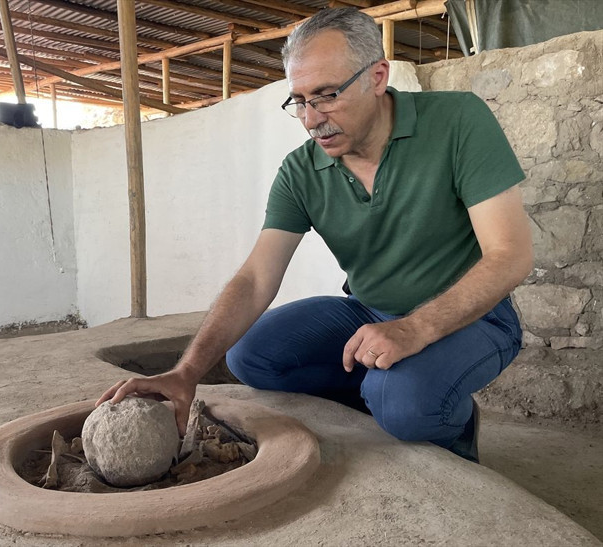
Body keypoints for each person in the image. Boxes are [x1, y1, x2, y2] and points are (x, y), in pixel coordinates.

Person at [97, 7, 532, 463]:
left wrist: (415, 329)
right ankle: (385, 388)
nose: (310, 118)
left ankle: (448, 419)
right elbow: (256, 278)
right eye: (299, 100)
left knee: (404, 406)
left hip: (476, 317)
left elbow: (510, 255)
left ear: (378, 77)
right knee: (251, 358)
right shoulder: (301, 171)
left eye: (326, 95)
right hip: (368, 309)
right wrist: (186, 372)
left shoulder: (458, 121)